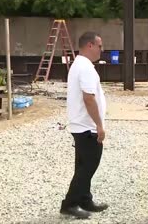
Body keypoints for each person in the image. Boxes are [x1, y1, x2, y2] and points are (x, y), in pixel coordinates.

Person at [61, 32, 108, 219]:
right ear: (90, 45)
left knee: (82, 164)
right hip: (87, 127)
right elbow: (89, 98)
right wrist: (99, 125)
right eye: (100, 46)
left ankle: (84, 198)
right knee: (88, 165)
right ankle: (69, 203)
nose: (101, 50)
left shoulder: (78, 64)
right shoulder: (86, 68)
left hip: (80, 125)